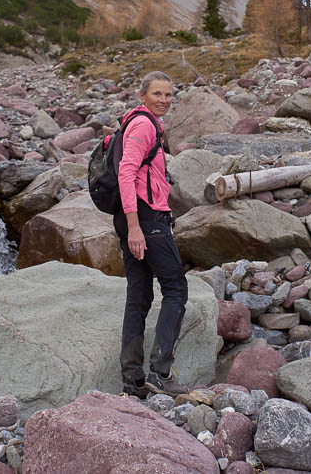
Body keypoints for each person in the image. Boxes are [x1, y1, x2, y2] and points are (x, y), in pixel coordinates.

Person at [114, 71, 189, 398]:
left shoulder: (133, 123)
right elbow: (126, 173)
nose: (164, 100)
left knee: (139, 295)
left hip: (132, 217)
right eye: (157, 94)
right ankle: (161, 371)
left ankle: (132, 381)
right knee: (176, 289)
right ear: (142, 95)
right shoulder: (144, 125)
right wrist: (135, 227)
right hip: (145, 218)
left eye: (168, 95)